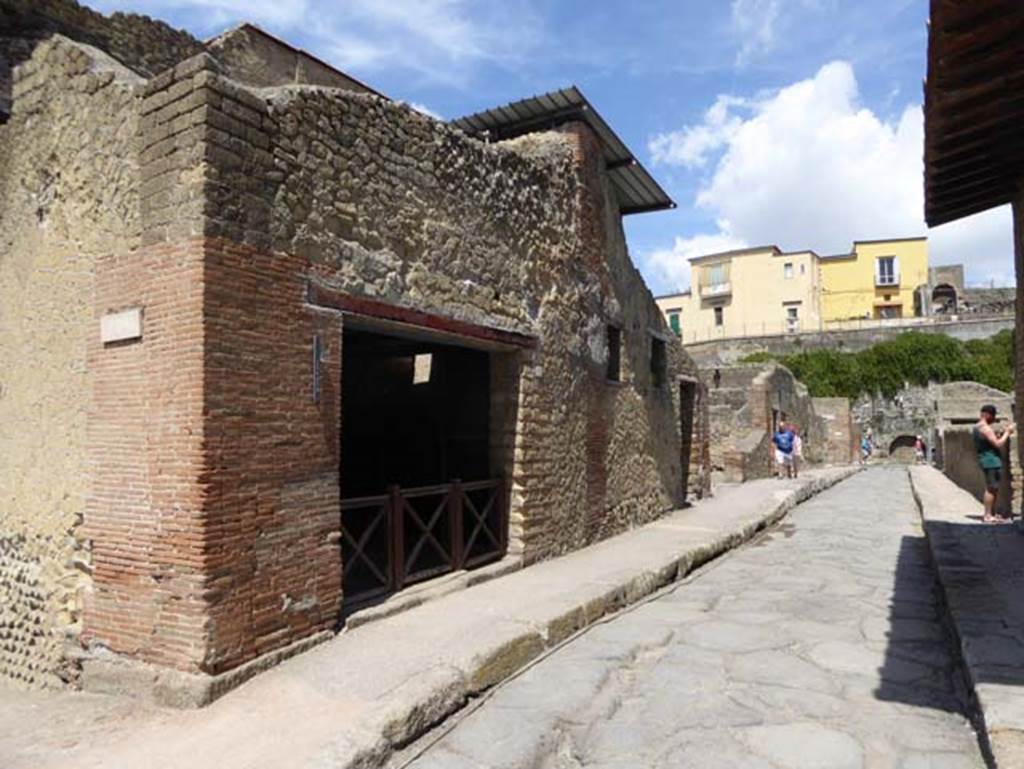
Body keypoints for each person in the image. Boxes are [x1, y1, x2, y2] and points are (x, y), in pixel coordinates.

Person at [973, 405, 1014, 524]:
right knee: (991, 488)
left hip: (986, 459)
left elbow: (988, 442)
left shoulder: (976, 427)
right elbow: (998, 444)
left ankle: (991, 513)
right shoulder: (985, 428)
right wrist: (1007, 432)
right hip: (991, 461)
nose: (994, 418)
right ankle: (987, 516)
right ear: (987, 414)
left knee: (993, 488)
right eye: (993, 416)